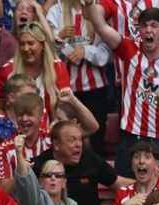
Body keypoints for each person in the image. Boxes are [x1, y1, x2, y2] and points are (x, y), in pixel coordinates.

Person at [85, 5, 159, 176]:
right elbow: (100, 25)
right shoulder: (130, 49)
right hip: (131, 138)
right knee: (125, 194)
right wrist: (88, 3)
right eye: (144, 26)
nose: (148, 30)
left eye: (153, 25)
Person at [45, 0, 112, 154]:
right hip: (64, 91)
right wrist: (58, 40)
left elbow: (109, 52)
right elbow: (46, 52)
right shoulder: (56, 11)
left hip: (96, 89)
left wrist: (86, 51)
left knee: (95, 143)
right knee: (65, 141)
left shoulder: (100, 9)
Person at [0, 22, 70, 124]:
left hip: (49, 130)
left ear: (42, 45)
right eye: (22, 44)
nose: (25, 48)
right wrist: (7, 129)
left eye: (30, 43)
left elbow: (65, 107)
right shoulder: (7, 71)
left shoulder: (58, 68)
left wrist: (53, 128)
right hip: (15, 132)